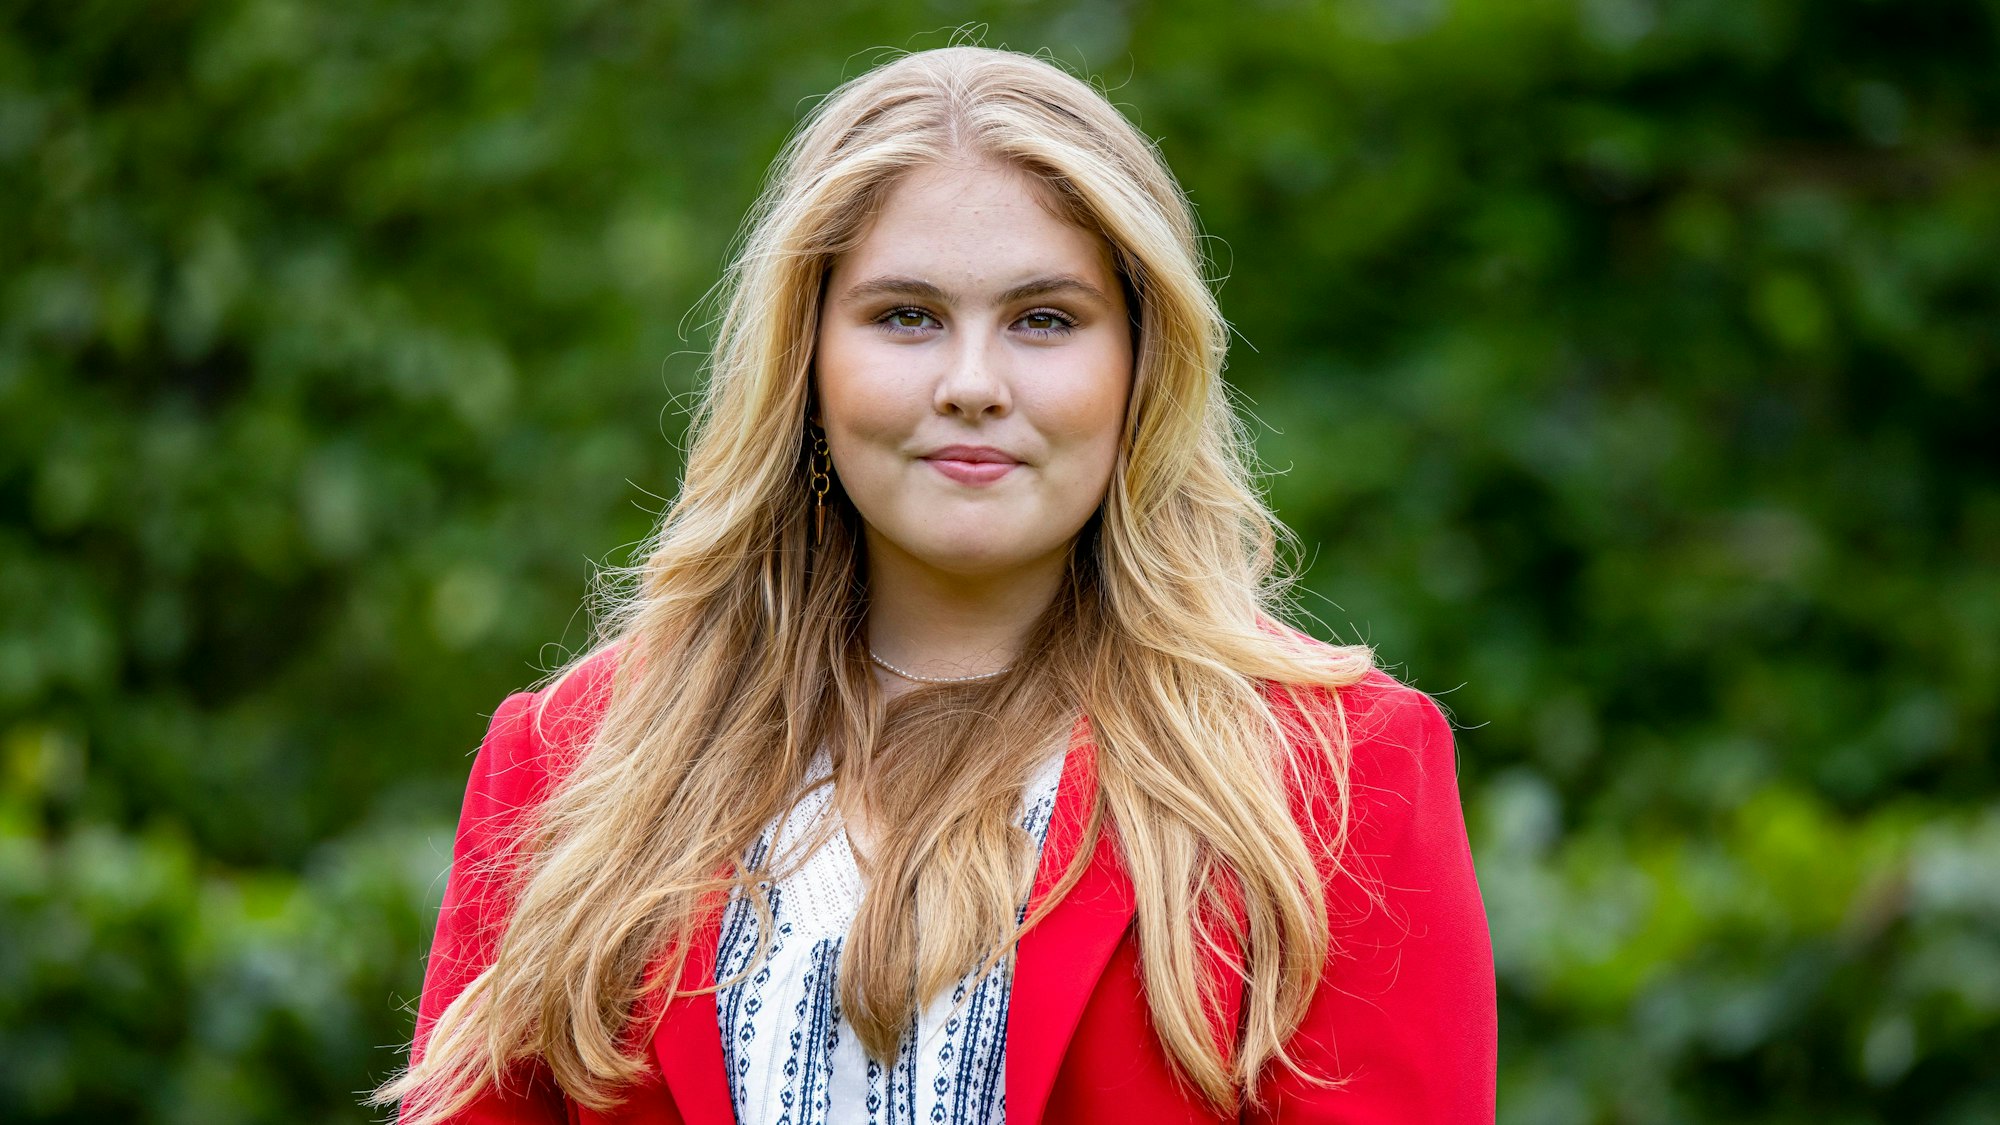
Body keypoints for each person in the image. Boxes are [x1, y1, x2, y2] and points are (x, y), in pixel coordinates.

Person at [373, 45, 1495, 1125]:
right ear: (806, 362)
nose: (971, 383)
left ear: (1142, 366)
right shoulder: (576, 763)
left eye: (1044, 320)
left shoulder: (1335, 775)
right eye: (905, 316)